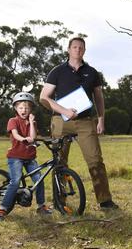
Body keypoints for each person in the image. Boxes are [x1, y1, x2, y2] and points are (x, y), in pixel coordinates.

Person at [39, 37, 118, 210]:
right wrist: (64, 111)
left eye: (81, 47)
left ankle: (105, 201)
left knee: (95, 160)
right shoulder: (57, 71)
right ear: (68, 49)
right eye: (74, 47)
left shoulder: (92, 72)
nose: (78, 50)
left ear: (84, 50)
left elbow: (98, 97)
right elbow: (44, 98)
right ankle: (60, 202)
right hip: (60, 121)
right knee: (59, 163)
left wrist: (101, 119)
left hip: (85, 121)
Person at [0, 92, 53, 221]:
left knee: (39, 179)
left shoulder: (33, 122)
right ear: (16, 108)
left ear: (31, 109)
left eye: (26, 108)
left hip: (30, 157)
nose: (24, 110)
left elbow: (32, 137)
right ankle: (3, 209)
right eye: (21, 107)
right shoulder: (13, 121)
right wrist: (22, 139)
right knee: (15, 181)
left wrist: (31, 122)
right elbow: (15, 134)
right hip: (16, 156)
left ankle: (41, 206)